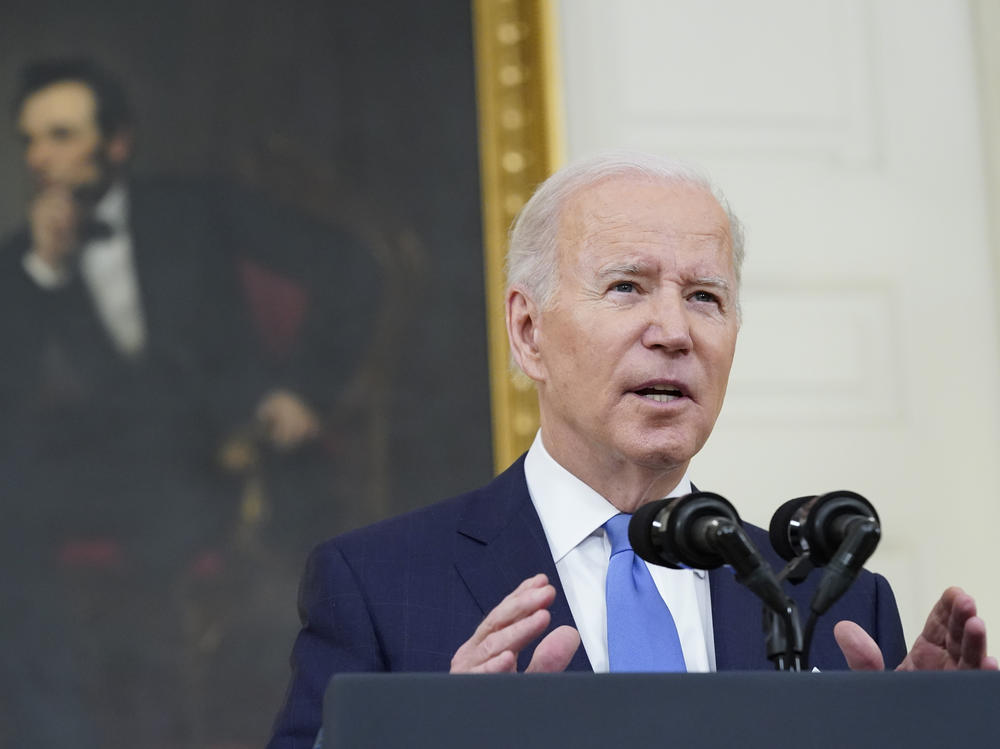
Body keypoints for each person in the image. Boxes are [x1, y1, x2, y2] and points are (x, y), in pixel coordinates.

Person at [266, 152, 996, 748]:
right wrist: (424, 738)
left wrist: (943, 735)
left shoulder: (832, 599)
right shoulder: (377, 585)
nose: (674, 331)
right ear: (528, 332)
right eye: (627, 286)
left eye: (705, 297)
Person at [0, 58, 377, 747]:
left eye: (59, 135)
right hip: (112, 465)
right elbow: (13, 397)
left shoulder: (195, 208)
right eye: (29, 139)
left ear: (115, 143)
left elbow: (349, 265)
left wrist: (305, 387)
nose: (38, 157)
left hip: (227, 451)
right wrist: (46, 273)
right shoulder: (27, 257)